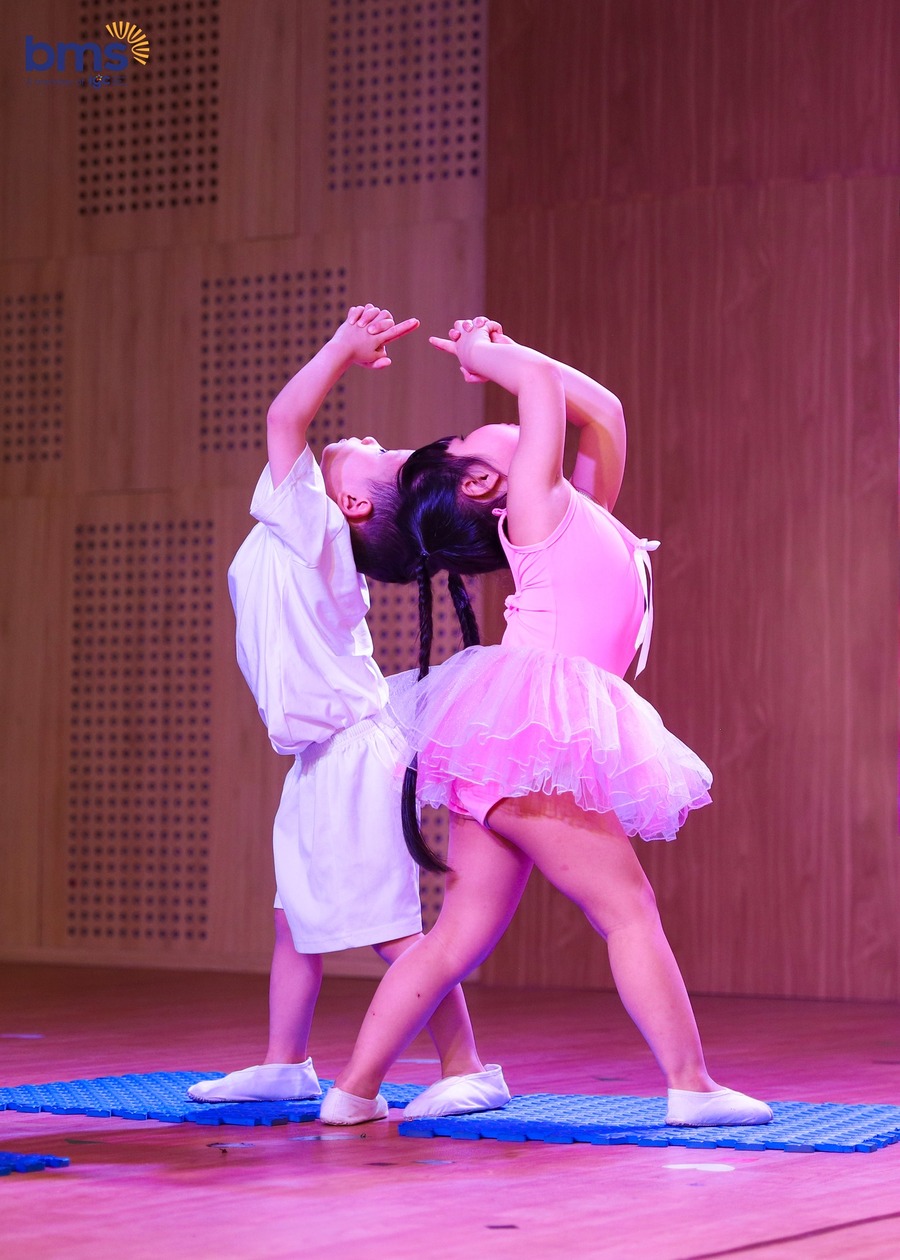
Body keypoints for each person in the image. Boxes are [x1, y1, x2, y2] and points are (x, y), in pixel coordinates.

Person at [319, 317, 773, 1128]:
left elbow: (605, 413)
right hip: (530, 740)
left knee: (456, 936)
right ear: (484, 483)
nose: (508, 424)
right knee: (627, 908)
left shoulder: (575, 507)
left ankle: (352, 1092)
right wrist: (492, 357)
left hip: (506, 744)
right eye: (478, 437)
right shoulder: (534, 505)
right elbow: (540, 392)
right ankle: (691, 1085)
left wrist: (508, 357)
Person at [188, 305, 509, 1120]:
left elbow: (283, 417)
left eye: (381, 458)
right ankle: (283, 1062)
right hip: (319, 756)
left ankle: (468, 1066)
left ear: (351, 506)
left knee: (390, 925)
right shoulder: (299, 519)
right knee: (294, 917)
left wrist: (341, 348)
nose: (368, 438)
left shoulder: (313, 524)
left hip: (351, 751)